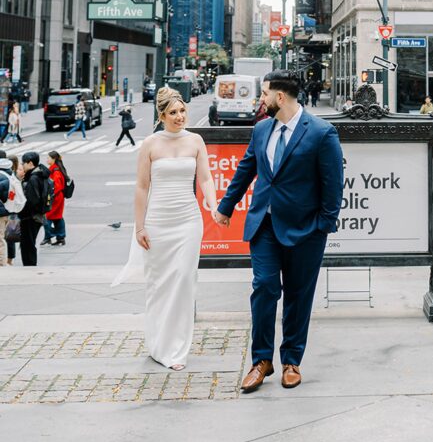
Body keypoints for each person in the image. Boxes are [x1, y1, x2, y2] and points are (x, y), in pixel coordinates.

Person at [214, 69, 343, 393]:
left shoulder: (321, 132)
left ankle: (291, 362)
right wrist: (226, 207)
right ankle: (261, 361)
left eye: (264, 94)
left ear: (280, 97)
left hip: (305, 230)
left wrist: (323, 227)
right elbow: (246, 169)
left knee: (299, 296)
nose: (261, 99)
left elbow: (333, 186)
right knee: (264, 287)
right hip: (264, 226)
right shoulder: (261, 130)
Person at [113, 87, 218, 370]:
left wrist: (212, 203)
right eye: (173, 112)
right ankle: (159, 344)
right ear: (162, 116)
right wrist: (139, 227)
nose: (180, 116)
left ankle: (177, 349)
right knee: (159, 285)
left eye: (182, 111)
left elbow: (206, 179)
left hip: (188, 220)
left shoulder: (195, 141)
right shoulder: (150, 143)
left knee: (184, 281)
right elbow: (141, 186)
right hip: (158, 221)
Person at [18, 150, 52, 266]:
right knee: (30, 242)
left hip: (30, 216)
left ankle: (29, 266)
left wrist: (21, 212)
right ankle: (30, 265)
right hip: (38, 215)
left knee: (28, 243)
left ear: (30, 163)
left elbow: (32, 200)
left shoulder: (33, 178)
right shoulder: (41, 174)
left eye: (24, 163)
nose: (22, 165)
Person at [42, 150, 69, 247]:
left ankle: (48, 236)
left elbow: (57, 186)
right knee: (57, 217)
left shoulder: (56, 171)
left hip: (55, 198)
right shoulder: (55, 169)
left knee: (47, 217)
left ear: (53, 159)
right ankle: (60, 238)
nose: (46, 159)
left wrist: (49, 195)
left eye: (48, 158)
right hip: (57, 197)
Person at [4, 155, 21, 264]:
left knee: (8, 235)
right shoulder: (17, 175)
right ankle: (10, 259)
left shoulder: (9, 176)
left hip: (9, 208)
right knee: (10, 235)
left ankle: (9, 259)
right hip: (14, 209)